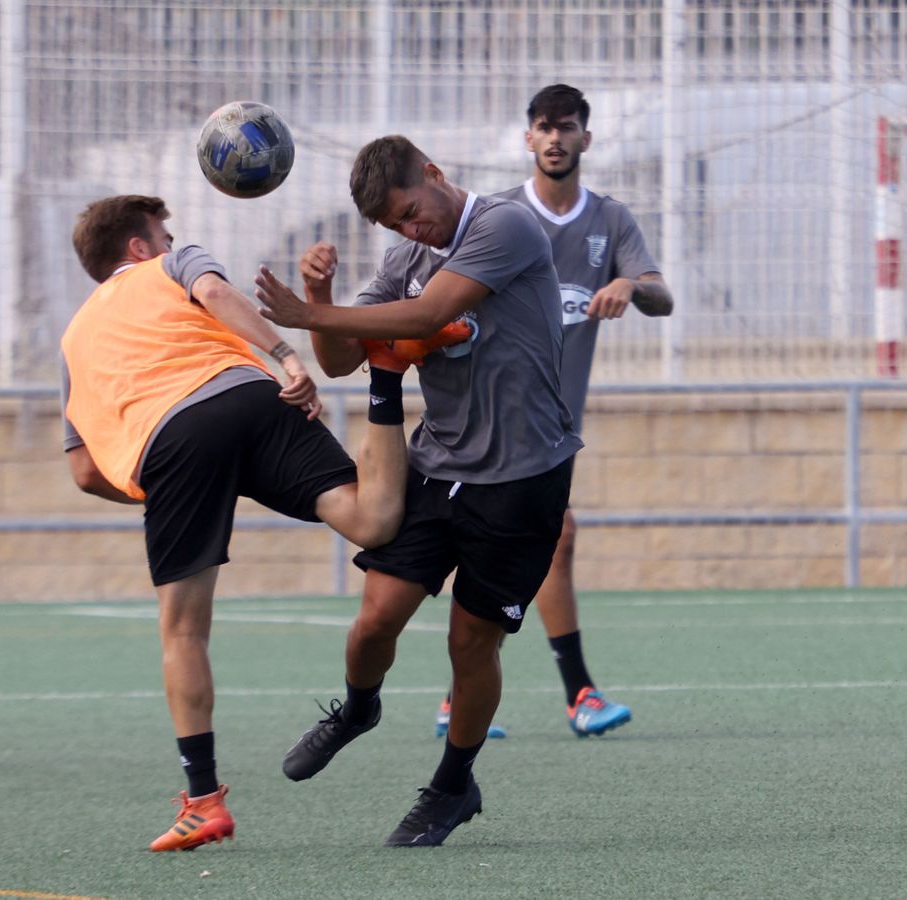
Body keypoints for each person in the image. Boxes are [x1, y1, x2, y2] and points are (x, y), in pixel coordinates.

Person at [60, 194, 464, 852]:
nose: (171, 240)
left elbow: (82, 470)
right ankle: (387, 374)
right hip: (250, 395)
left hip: (170, 442)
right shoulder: (170, 265)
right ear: (137, 247)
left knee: (183, 630)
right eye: (162, 233)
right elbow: (216, 292)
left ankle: (203, 802)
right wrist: (285, 356)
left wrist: (176, 489)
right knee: (371, 520)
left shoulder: (72, 343)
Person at [255, 136, 579, 847]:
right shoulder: (405, 256)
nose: (410, 232)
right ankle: (359, 708)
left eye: (411, 213)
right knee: (375, 619)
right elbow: (343, 361)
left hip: (522, 475)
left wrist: (304, 317)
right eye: (395, 227)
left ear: (434, 175)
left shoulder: (505, 225)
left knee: (471, 640)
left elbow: (426, 317)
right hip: (439, 463)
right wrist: (318, 296)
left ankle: (453, 784)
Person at [433, 84, 673, 741]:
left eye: (568, 127)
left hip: (553, 428)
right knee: (551, 539)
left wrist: (630, 284)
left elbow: (662, 295)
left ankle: (464, 695)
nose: (556, 138)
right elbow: (436, 294)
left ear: (586, 139)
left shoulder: (610, 221)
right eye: (544, 127)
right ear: (528, 138)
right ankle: (577, 694)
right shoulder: (501, 216)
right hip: (488, 419)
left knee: (528, 544)